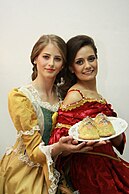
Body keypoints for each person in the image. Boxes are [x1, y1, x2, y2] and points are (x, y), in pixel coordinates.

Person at [0, 34, 90, 194]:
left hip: (58, 167)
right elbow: (34, 152)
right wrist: (60, 147)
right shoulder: (21, 97)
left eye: (57, 59)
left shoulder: (66, 96)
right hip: (27, 172)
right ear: (35, 59)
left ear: (63, 65)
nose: (51, 64)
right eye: (46, 57)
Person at [49, 35, 129, 194]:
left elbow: (114, 140)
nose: (88, 65)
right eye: (80, 62)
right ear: (71, 67)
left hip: (108, 162)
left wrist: (116, 133)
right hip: (90, 171)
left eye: (91, 59)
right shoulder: (75, 96)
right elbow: (58, 140)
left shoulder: (98, 96)